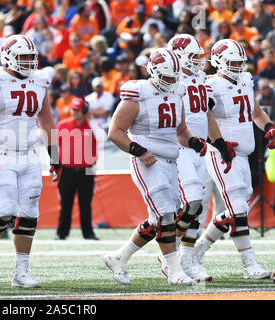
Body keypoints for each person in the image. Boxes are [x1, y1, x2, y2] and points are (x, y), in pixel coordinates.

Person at [104, 48, 209, 286]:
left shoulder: (176, 92)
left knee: (157, 219)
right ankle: (173, 270)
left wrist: (193, 141)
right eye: (167, 77)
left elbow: (180, 131)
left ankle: (119, 257)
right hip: (148, 162)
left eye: (174, 77)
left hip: (170, 162)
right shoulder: (138, 93)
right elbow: (115, 132)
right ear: (153, 71)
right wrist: (138, 150)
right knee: (165, 215)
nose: (172, 81)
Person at [0, 34, 60, 288]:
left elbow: (46, 121)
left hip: (30, 154)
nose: (28, 61)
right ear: (8, 56)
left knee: (29, 214)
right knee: (6, 211)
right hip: (1, 153)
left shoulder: (39, 81)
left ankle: (21, 272)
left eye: (31, 57)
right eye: (23, 56)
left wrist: (54, 156)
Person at [192, 39, 274, 280]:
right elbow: (201, 117)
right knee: (237, 208)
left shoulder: (246, 80)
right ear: (218, 61)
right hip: (223, 154)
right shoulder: (210, 85)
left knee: (236, 208)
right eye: (234, 62)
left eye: (241, 62)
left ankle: (194, 252)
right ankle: (248, 263)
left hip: (244, 154)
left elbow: (256, 112)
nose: (238, 66)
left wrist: (268, 127)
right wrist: (217, 142)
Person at [160, 33, 236, 281]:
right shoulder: (170, 79)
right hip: (181, 148)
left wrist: (220, 142)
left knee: (197, 209)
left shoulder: (200, 77)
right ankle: (169, 252)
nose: (197, 61)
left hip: (200, 149)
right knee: (191, 204)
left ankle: (186, 260)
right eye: (192, 57)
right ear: (179, 57)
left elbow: (206, 114)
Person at [55, 98, 100, 240]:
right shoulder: (62, 124)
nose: (74, 112)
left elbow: (103, 137)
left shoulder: (92, 125)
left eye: (78, 109)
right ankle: (62, 233)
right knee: (65, 203)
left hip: (88, 169)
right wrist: (55, 167)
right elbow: (54, 147)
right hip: (66, 169)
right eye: (73, 109)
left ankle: (88, 233)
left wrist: (91, 120)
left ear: (84, 111)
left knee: (86, 203)